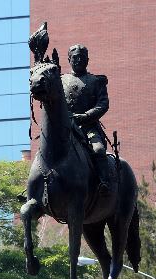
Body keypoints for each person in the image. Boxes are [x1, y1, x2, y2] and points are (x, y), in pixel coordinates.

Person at [61, 43, 112, 198]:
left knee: (98, 150)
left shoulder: (96, 81)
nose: (78, 60)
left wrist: (85, 116)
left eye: (82, 58)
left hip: (88, 127)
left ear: (87, 60)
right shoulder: (60, 81)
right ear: (69, 59)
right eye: (75, 57)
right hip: (65, 128)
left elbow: (103, 104)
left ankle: (104, 182)